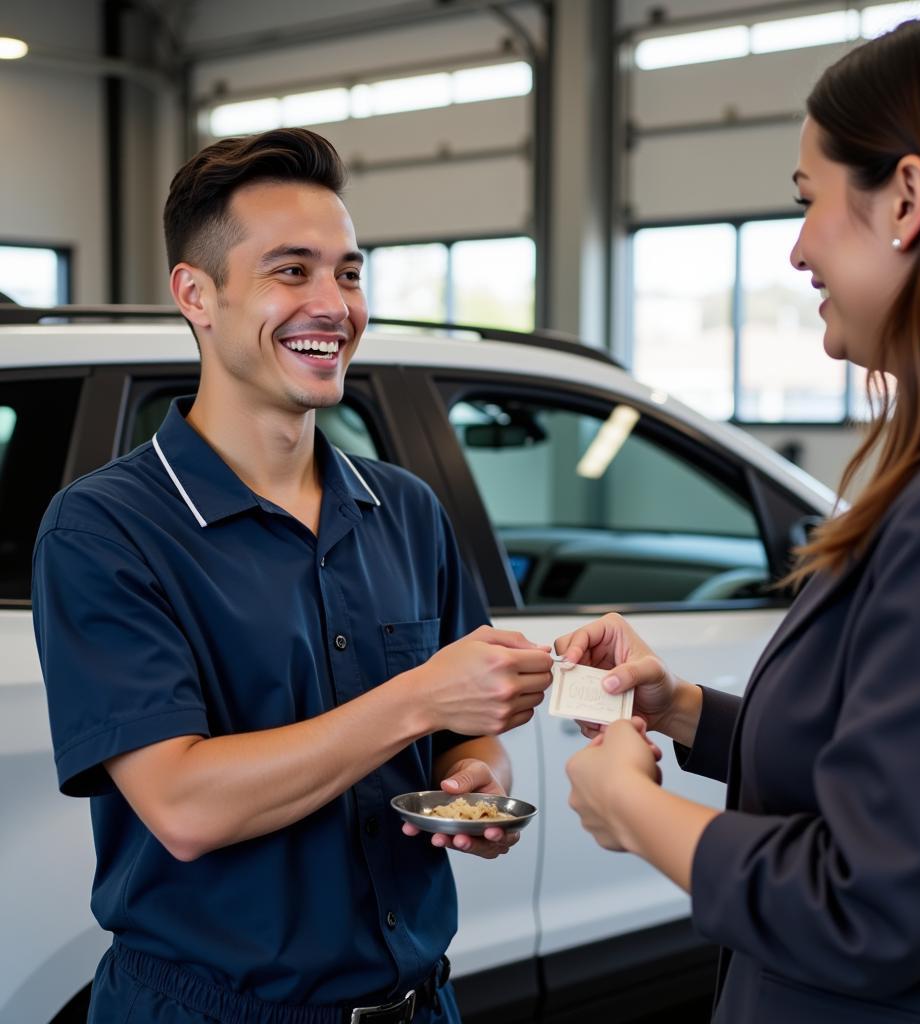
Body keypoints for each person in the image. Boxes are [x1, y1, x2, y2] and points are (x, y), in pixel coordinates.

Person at [556, 10, 920, 1023]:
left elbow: (871, 896)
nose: (797, 250)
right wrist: (683, 709)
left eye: (809, 201)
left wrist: (635, 810)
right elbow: (912, 767)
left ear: (906, 196)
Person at [32, 127, 553, 1024]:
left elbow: (460, 731)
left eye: (348, 274)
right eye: (290, 271)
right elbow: (186, 806)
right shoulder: (107, 529)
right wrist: (423, 698)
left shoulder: (405, 510)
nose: (333, 304)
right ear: (196, 294)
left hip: (420, 1003)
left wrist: (476, 773)